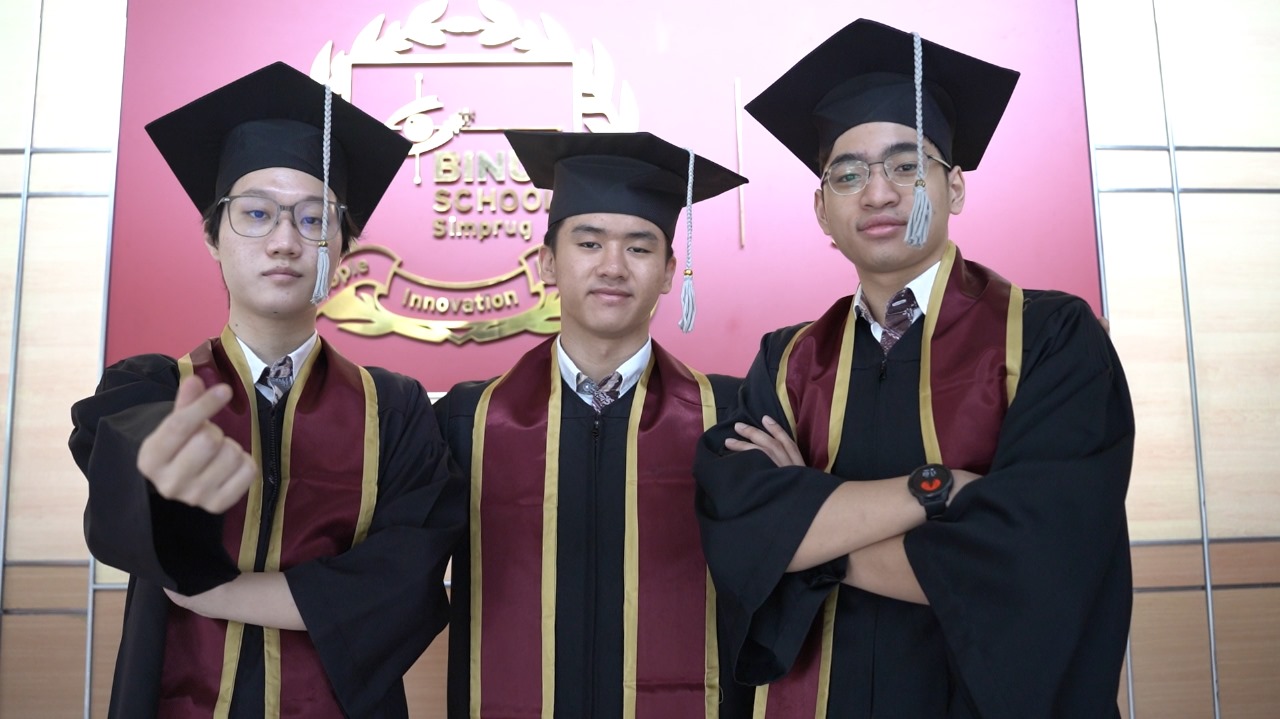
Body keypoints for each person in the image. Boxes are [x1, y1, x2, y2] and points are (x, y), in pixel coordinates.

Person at [693, 19, 1135, 718]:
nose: (877, 193)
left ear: (954, 187)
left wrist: (809, 541)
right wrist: (937, 491)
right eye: (848, 174)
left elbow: (1037, 557)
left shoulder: (1050, 339)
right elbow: (738, 527)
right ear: (822, 209)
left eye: (906, 165)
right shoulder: (787, 363)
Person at [69, 62, 465, 718]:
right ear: (211, 236)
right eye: (256, 213)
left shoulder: (394, 411)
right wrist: (150, 468)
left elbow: (403, 579)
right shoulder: (153, 388)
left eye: (313, 219)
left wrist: (211, 592)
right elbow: (118, 482)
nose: (284, 241)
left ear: (343, 247)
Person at [433, 130, 754, 718]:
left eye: (639, 248)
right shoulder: (466, 422)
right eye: (588, 242)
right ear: (547, 262)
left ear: (668, 271)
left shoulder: (729, 421)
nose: (612, 266)